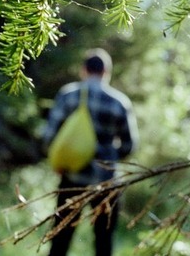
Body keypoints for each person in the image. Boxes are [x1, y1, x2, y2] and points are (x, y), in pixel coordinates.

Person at [43, 48, 138, 256]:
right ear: (107, 72)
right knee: (103, 242)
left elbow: (50, 135)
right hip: (107, 182)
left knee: (61, 238)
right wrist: (109, 157)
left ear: (83, 70)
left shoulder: (68, 95)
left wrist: (60, 161)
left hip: (71, 177)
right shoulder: (120, 102)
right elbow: (129, 145)